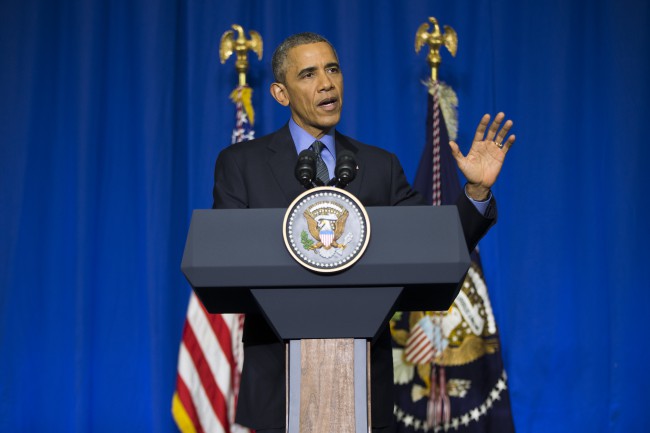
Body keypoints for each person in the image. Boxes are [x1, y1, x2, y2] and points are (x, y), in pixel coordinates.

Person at [212, 32, 515, 433]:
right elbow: (227, 259)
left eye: (333, 69)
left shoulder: (378, 166)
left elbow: (437, 246)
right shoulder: (242, 164)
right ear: (281, 93)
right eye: (308, 74)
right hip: (277, 382)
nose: (327, 83)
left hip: (365, 384)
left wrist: (475, 192)